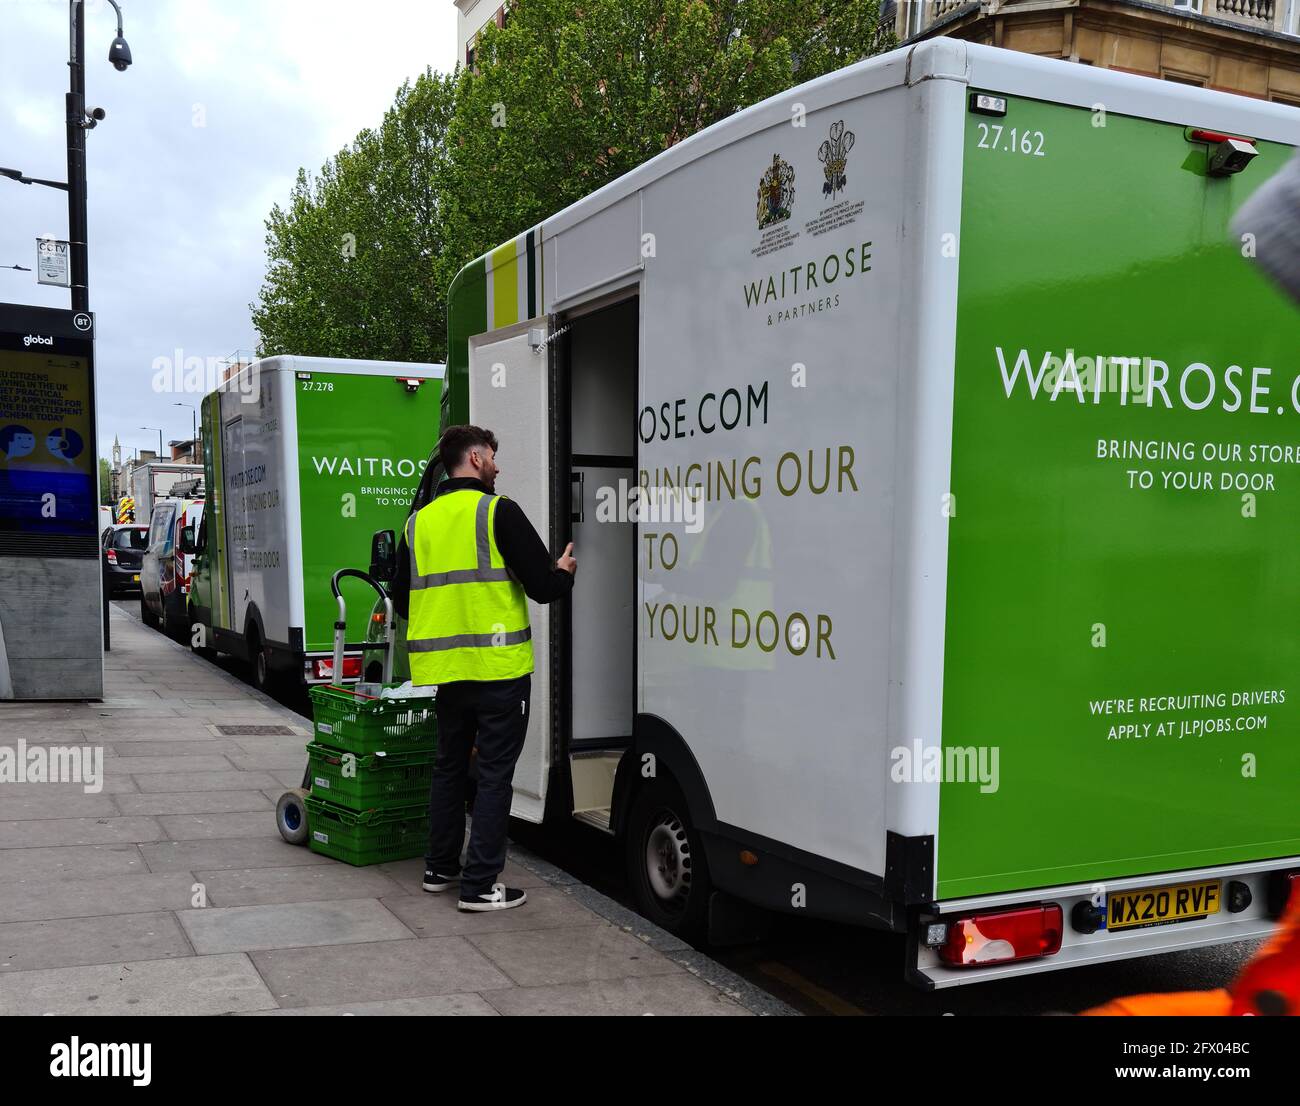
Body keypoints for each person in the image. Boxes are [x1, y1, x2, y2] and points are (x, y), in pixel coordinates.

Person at [401, 424, 575, 911]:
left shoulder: (419, 523)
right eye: (493, 457)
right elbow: (542, 587)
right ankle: (480, 886)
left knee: (449, 769)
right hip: (500, 672)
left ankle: (439, 869)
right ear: (475, 459)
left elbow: (400, 599)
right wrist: (563, 573)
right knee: (495, 777)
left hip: (447, 674)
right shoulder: (499, 512)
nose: (498, 466)